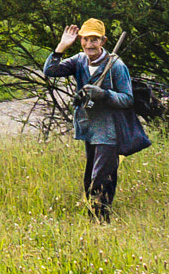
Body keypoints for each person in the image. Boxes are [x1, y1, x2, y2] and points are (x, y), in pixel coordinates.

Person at [45, 18, 133, 221]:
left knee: (101, 178)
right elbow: (50, 71)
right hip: (88, 128)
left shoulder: (116, 65)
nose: (89, 44)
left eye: (94, 39)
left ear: (103, 41)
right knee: (90, 177)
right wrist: (61, 47)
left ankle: (101, 222)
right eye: (85, 39)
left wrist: (103, 94)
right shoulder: (79, 60)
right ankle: (96, 218)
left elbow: (127, 99)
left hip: (110, 130)